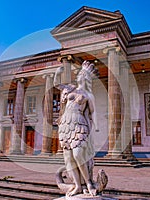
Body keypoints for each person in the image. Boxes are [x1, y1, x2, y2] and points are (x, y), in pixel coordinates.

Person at [54, 60, 99, 197]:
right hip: (66, 124)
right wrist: (58, 72)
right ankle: (78, 186)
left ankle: (89, 182)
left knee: (78, 154)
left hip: (79, 123)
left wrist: (95, 127)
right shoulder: (71, 88)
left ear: (86, 77)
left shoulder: (88, 95)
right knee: (68, 158)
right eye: (79, 73)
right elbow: (56, 84)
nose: (78, 75)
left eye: (81, 74)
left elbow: (93, 112)